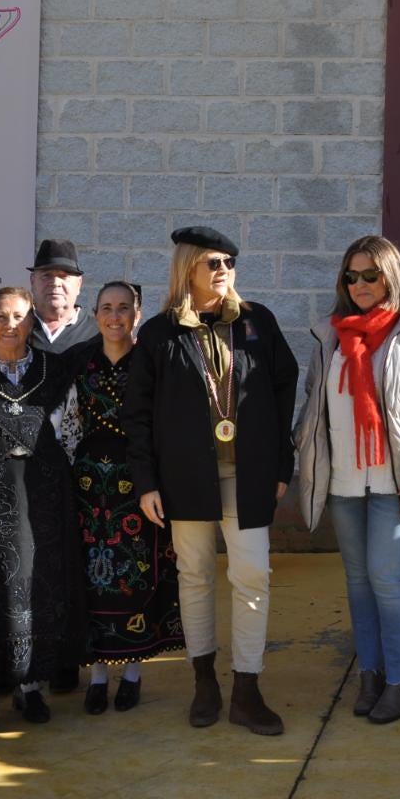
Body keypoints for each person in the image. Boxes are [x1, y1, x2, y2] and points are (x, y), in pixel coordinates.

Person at [127, 227, 300, 736]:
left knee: (252, 577)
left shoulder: (257, 323)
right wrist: (147, 482)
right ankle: (205, 681)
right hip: (185, 478)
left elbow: (284, 392)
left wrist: (281, 466)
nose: (223, 270)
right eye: (212, 263)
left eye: (228, 262)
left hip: (247, 476)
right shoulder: (160, 334)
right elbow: (138, 414)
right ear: (188, 270)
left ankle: (246, 688)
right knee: (196, 576)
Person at [294, 235, 400, 723]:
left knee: (388, 580)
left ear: (392, 275)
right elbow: (314, 408)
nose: (361, 284)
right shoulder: (330, 335)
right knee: (358, 582)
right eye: (352, 276)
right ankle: (370, 673)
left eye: (371, 274)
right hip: (345, 486)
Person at [0, 286, 84, 728]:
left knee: (36, 585)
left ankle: (30, 685)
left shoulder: (57, 370)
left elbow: (73, 434)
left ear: (32, 324)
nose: (11, 325)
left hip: (43, 496)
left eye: (21, 317)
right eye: (1, 316)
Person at [71, 281, 183, 715]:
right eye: (106, 308)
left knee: (137, 574)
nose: (114, 316)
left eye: (123, 308)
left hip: (141, 484)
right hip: (88, 486)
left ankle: (133, 673)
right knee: (94, 580)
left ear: (137, 314)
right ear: (94, 314)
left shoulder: (152, 361)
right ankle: (98, 675)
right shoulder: (79, 360)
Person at [0, 238, 98, 355]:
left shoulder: (98, 333)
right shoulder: (3, 330)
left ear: (79, 284)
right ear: (33, 281)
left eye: (63, 276)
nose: (55, 283)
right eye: (47, 275)